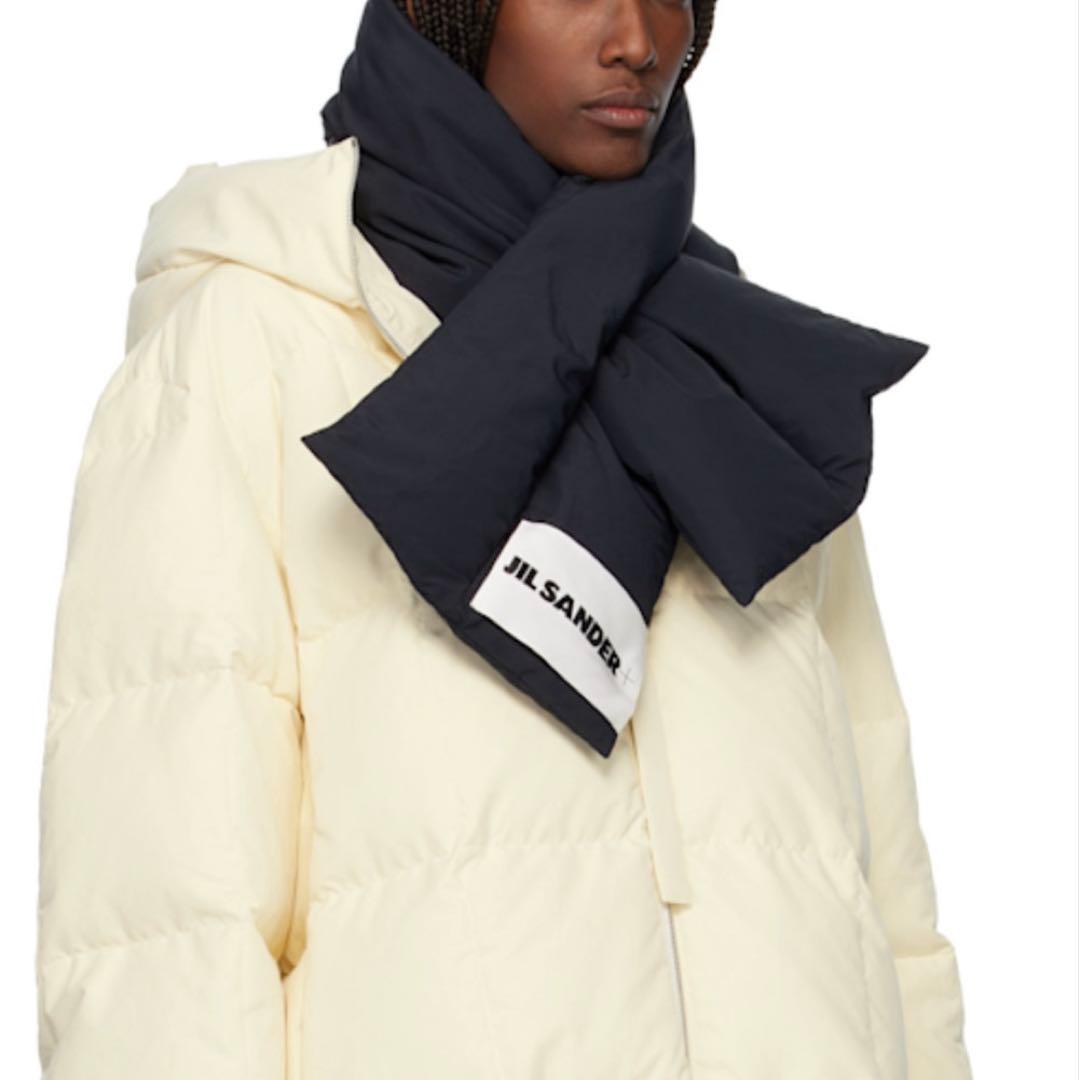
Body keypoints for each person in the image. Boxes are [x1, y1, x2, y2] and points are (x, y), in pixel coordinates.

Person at [34, 0, 973, 1076]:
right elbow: (163, 929)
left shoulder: (729, 364)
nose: (638, 40)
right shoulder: (255, 347)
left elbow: (883, 892)